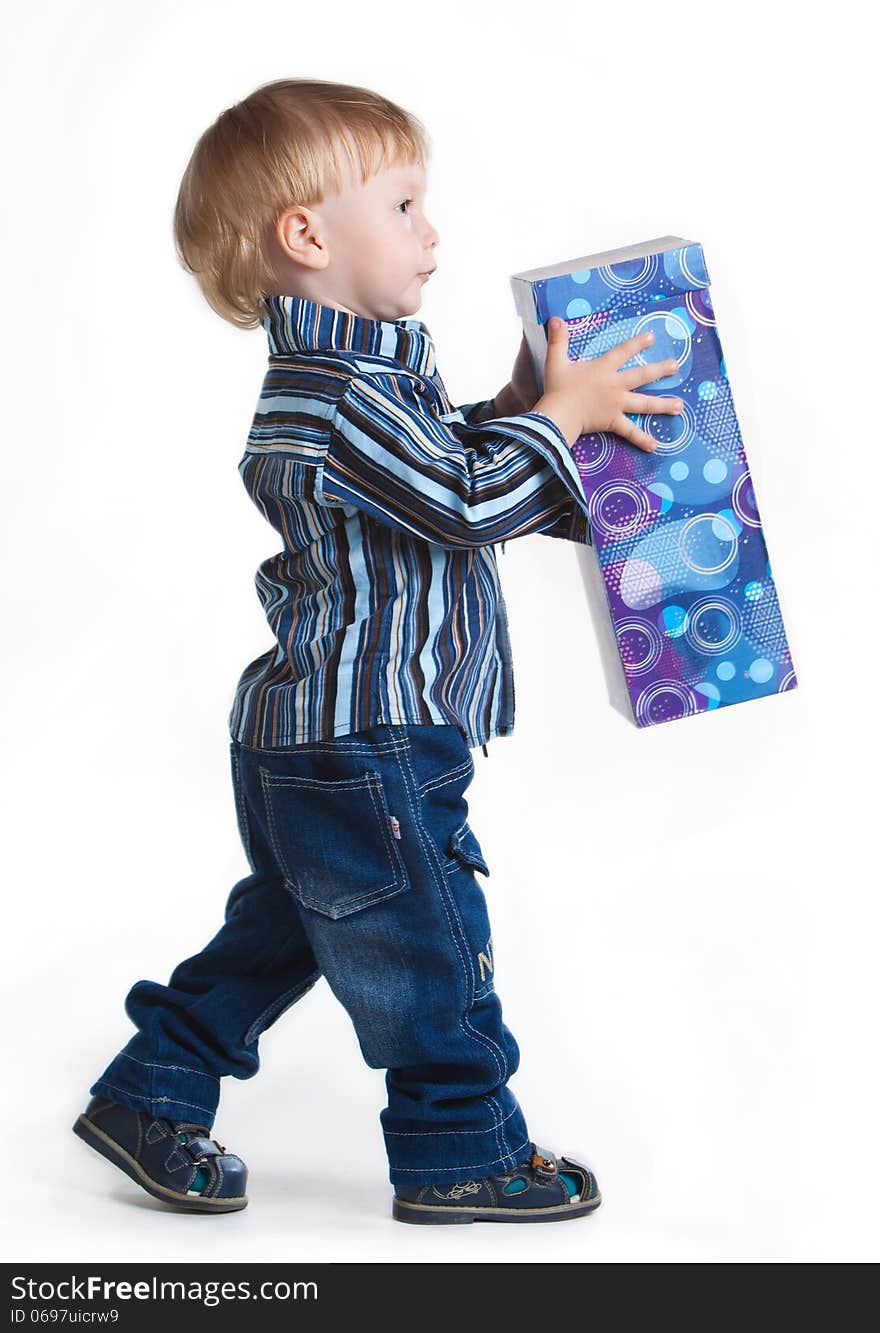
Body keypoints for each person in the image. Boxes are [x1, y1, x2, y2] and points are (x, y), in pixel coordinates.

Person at [72, 77, 683, 1225]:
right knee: (431, 944)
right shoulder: (331, 393)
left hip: (337, 738)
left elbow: (452, 471)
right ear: (306, 236)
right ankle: (461, 1148)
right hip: (366, 740)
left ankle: (151, 1087)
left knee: (297, 925)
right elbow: (461, 502)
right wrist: (561, 422)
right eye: (403, 206)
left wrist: (521, 410)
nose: (431, 232)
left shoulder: (376, 382)